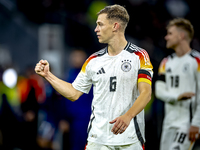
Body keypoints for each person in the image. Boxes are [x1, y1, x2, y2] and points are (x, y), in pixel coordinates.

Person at [35, 4, 153, 150]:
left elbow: (146, 93)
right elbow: (73, 93)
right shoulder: (93, 60)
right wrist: (48, 75)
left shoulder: (139, 56)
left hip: (129, 139)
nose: (96, 29)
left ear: (115, 26)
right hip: (97, 140)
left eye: (100, 25)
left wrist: (127, 116)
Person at [155, 18, 200, 150]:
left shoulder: (196, 61)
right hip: (168, 123)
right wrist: (177, 97)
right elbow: (159, 90)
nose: (166, 37)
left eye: (170, 33)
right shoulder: (165, 62)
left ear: (181, 36)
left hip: (187, 123)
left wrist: (196, 123)